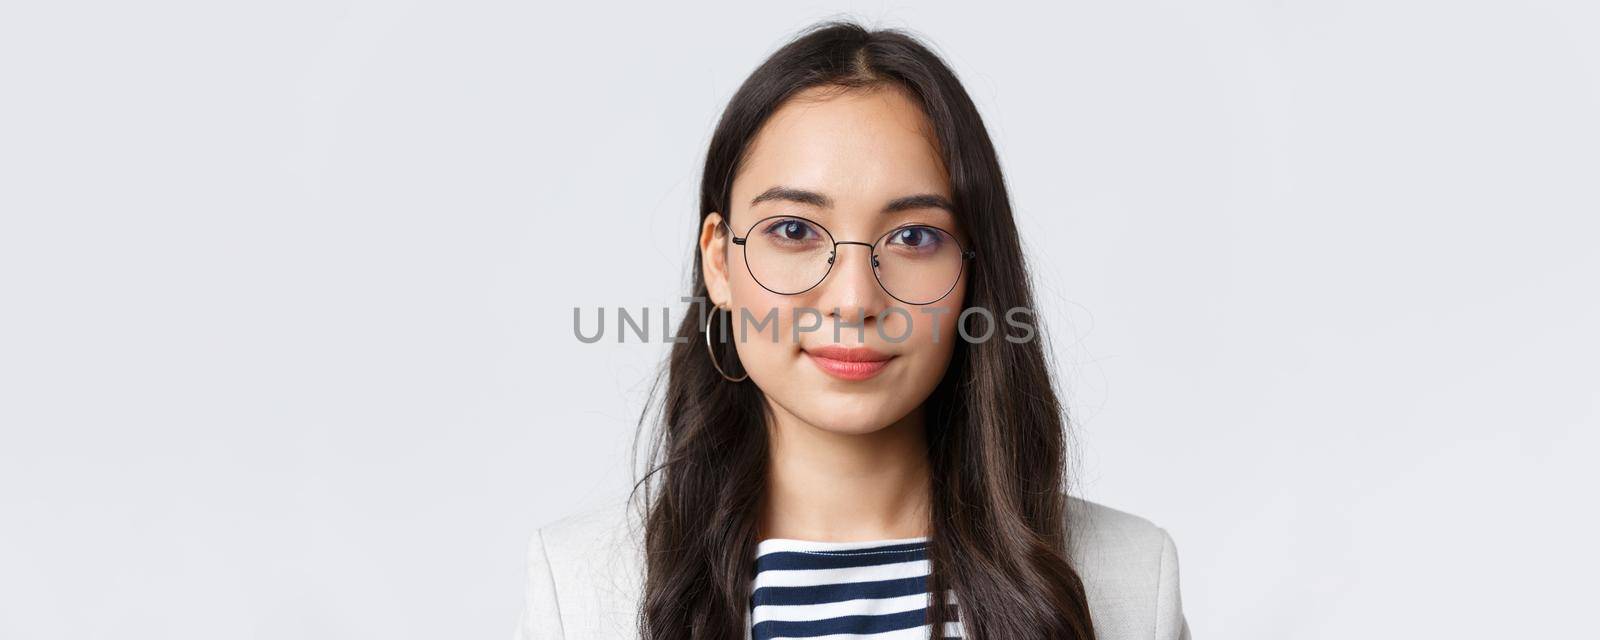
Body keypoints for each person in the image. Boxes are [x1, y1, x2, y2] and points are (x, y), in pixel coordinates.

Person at [517, 19, 1190, 640]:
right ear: (720, 261)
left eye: (915, 236)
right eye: (794, 231)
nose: (853, 300)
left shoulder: (1129, 579)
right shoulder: (580, 589)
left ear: (975, 271)